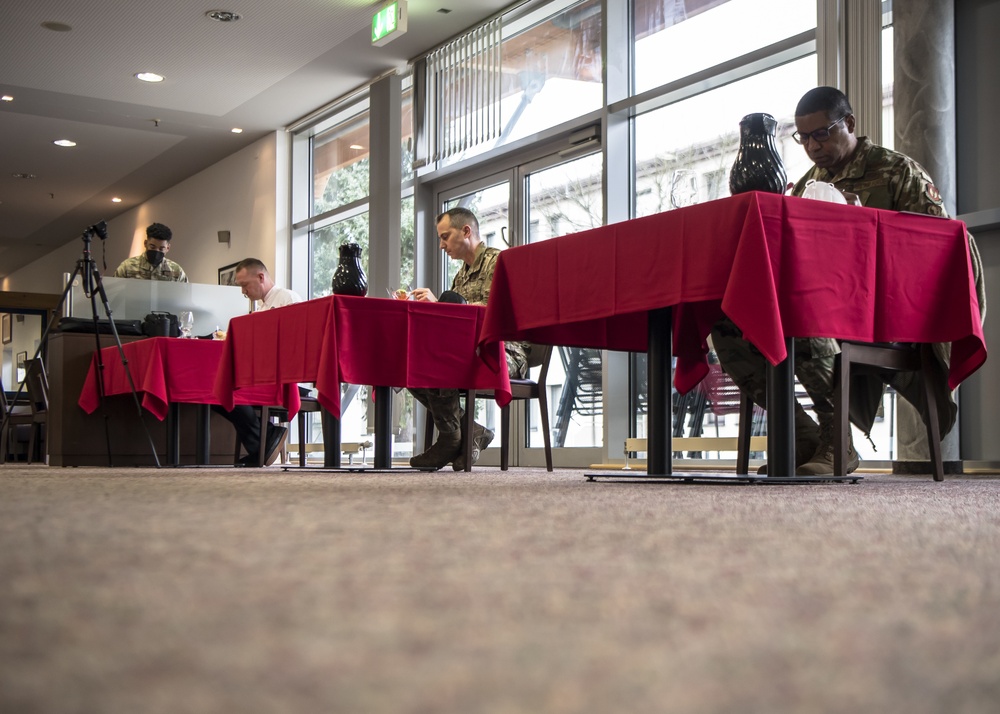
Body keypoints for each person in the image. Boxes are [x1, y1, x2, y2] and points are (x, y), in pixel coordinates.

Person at [711, 86, 986, 476]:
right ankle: (804, 437)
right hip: (825, 303)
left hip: (888, 312)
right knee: (730, 324)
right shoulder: (806, 183)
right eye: (803, 137)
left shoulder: (897, 171)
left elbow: (934, 250)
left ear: (850, 124)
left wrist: (867, 229)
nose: (812, 146)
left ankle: (837, 442)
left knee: (803, 315)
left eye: (821, 133)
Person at [408, 207, 530, 471]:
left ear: (465, 231)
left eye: (445, 236)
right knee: (413, 368)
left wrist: (442, 305)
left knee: (441, 363)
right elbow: (452, 326)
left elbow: (492, 311)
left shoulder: (498, 262)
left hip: (505, 351)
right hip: (469, 351)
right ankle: (466, 431)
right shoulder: (460, 275)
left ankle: (452, 437)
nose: (441, 245)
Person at [215, 258, 304, 466]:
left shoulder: (287, 298)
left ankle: (263, 442)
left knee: (228, 391)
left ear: (261, 277)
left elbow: (295, 340)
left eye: (245, 285)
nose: (243, 291)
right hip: (263, 374)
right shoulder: (262, 308)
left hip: (283, 376)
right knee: (216, 392)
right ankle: (265, 439)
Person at [113, 223, 188, 282]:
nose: (156, 251)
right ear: (145, 243)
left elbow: (185, 296)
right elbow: (113, 294)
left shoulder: (176, 271)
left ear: (168, 248)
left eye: (161, 248)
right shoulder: (127, 266)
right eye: (152, 247)